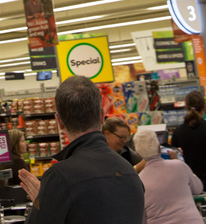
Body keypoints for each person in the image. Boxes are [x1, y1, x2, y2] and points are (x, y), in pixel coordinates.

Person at [18, 76, 144, 223]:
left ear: (59, 122)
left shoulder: (60, 176)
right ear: (102, 116)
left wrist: (43, 204)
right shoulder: (129, 170)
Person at [134, 129, 204, 224]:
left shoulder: (139, 181)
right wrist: (177, 160)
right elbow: (198, 188)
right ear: (159, 148)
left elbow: (142, 218)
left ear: (138, 153)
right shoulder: (179, 165)